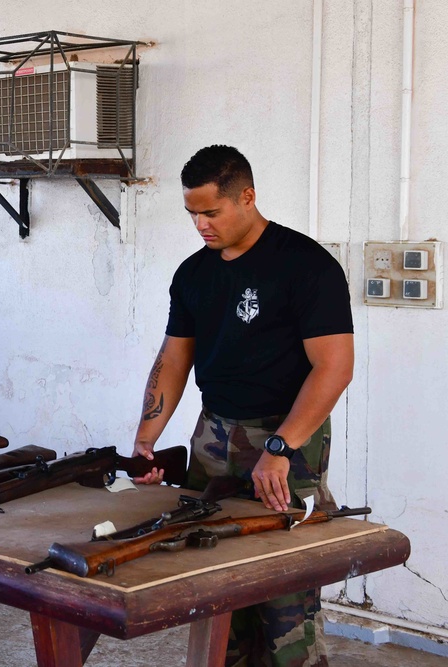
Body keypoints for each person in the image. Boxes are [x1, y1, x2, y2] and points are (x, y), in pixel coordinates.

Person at [131, 145, 354, 667]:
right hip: (212, 436)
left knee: (283, 600)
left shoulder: (306, 266)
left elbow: (334, 369)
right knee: (211, 588)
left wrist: (281, 447)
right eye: (192, 213)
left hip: (286, 439)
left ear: (247, 197)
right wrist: (146, 439)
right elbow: (173, 359)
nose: (200, 225)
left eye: (211, 212)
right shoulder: (193, 274)